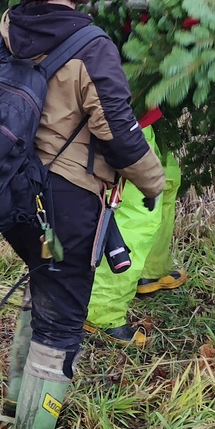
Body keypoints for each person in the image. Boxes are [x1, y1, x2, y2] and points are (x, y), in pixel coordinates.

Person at [0, 0, 167, 429]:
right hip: (67, 200)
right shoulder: (91, 47)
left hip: (16, 189)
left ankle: (14, 405)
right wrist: (152, 180)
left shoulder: (8, 26)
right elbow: (117, 129)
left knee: (39, 286)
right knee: (63, 322)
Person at [83, 111, 186, 347]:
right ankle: (100, 312)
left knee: (167, 181)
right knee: (136, 211)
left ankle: (149, 271)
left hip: (147, 119)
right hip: (125, 121)